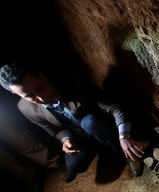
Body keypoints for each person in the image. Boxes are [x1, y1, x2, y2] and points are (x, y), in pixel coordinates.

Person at [0, 62, 146, 182]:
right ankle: (103, 148)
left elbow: (114, 107)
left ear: (42, 76)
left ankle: (123, 153)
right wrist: (65, 140)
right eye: (30, 96)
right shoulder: (25, 108)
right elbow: (54, 130)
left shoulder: (71, 81)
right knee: (75, 166)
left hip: (98, 124)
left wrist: (124, 136)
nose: (41, 98)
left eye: (40, 89)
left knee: (90, 123)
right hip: (79, 136)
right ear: (16, 94)